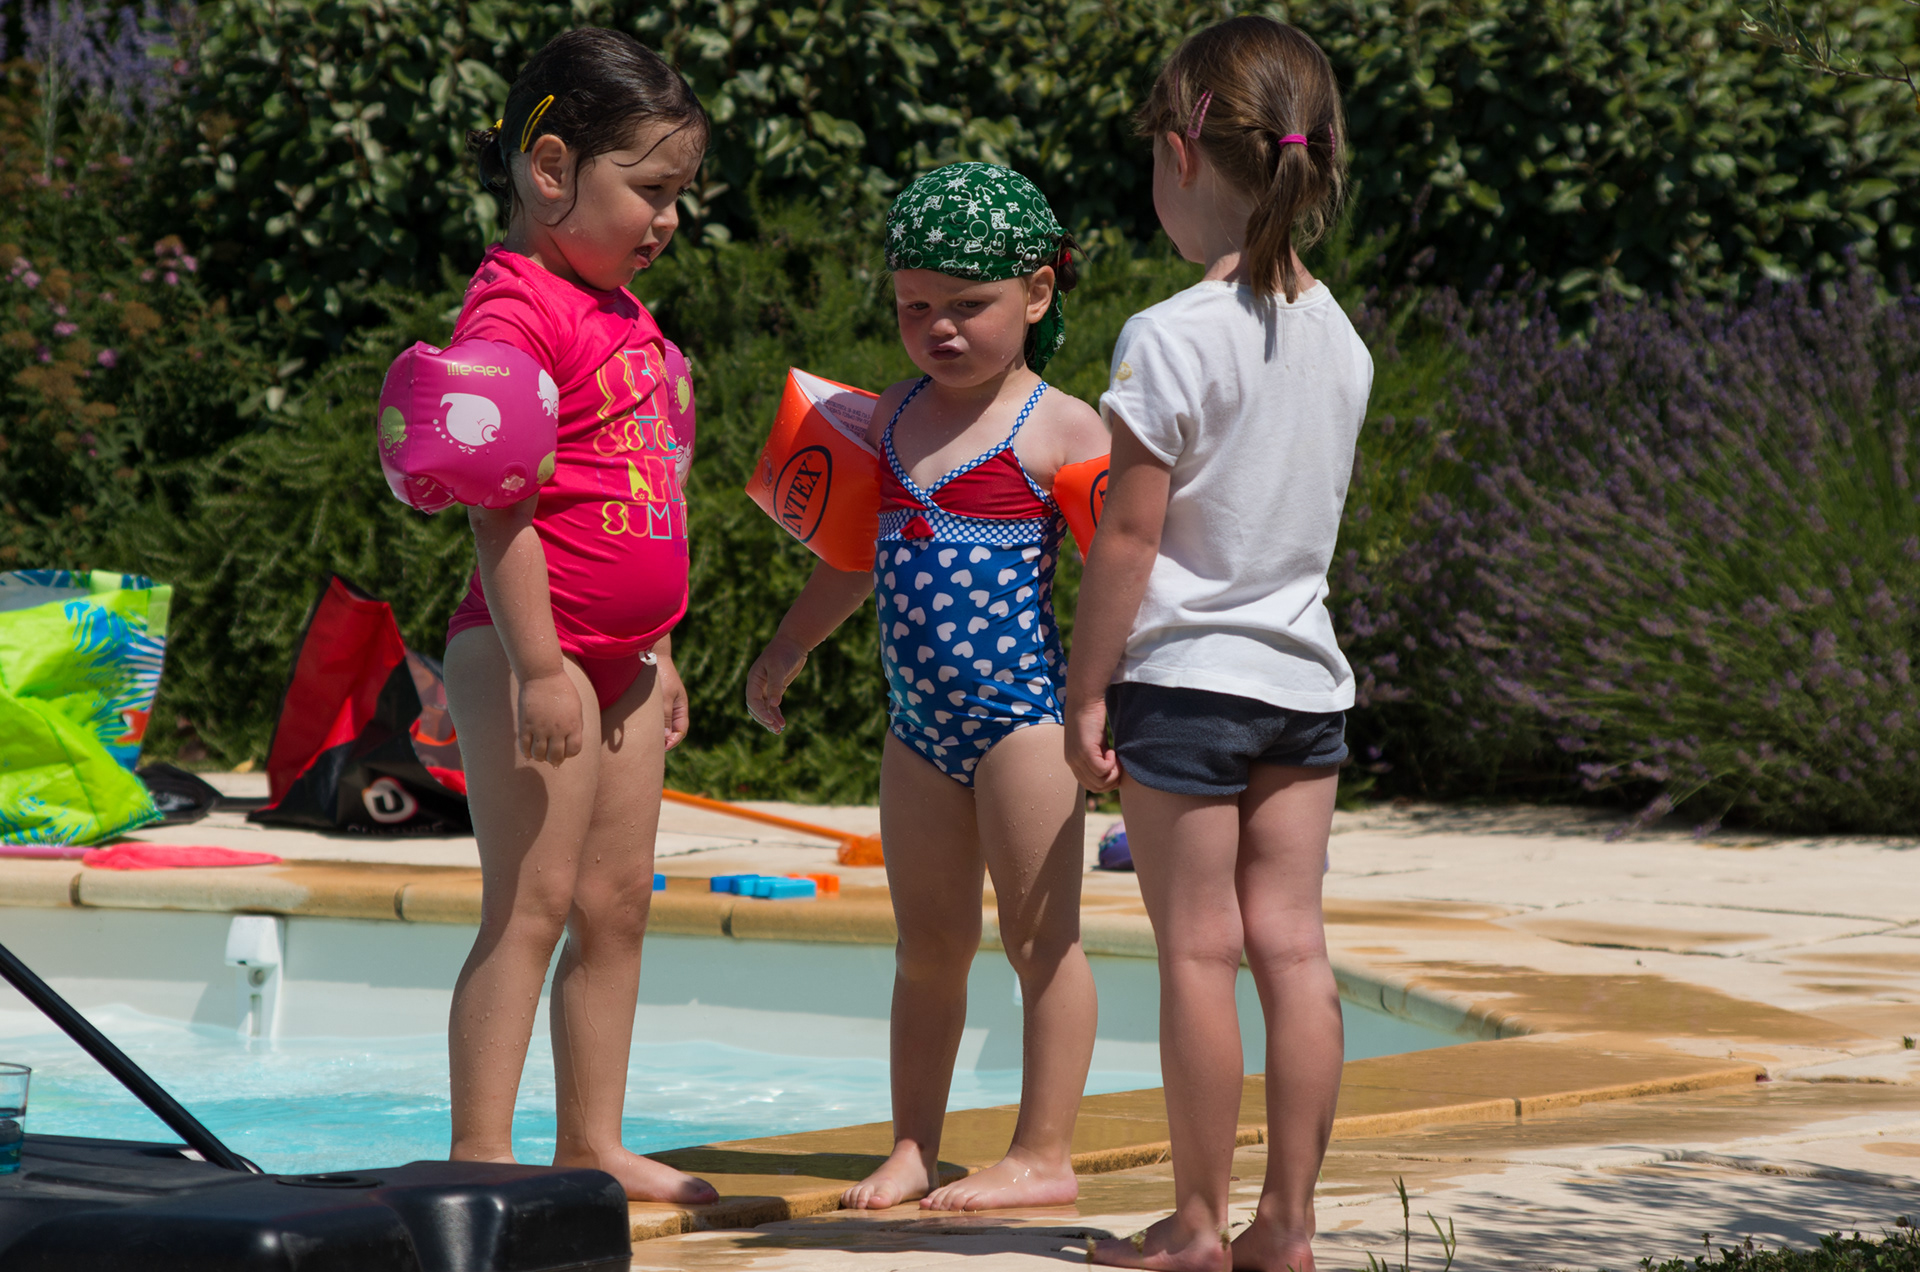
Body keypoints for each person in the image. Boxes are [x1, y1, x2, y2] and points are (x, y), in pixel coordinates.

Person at [1062, 17, 1373, 1271]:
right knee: (1292, 948)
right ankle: (1285, 1229)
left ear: (1182, 156)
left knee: (1197, 951)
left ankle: (1195, 1226)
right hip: (1304, 684)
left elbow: (1129, 539)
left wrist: (1088, 690)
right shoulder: (1340, 336)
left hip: (1186, 685)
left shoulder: (1170, 335)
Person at [745, 163, 1109, 1211]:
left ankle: (1043, 1154)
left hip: (1024, 721)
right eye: (915, 306)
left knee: (1042, 944)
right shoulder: (889, 415)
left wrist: (1113, 706)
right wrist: (787, 647)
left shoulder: (1064, 429)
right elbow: (852, 557)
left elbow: (1122, 581)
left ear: (1037, 293)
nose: (939, 327)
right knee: (929, 949)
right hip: (917, 730)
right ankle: (915, 1145)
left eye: (967, 305)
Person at [439, 28, 716, 1205]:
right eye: (649, 190)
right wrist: (543, 666)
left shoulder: (625, 315)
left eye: (678, 195)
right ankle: (480, 1161)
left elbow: (654, 491)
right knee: (533, 902)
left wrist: (659, 651)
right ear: (551, 170)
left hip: (627, 665)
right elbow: (495, 505)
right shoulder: (513, 310)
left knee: (615, 906)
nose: (667, 219)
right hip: (525, 656)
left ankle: (591, 1143)